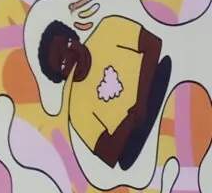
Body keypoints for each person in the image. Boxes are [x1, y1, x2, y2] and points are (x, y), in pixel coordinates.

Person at [38, 14, 174, 169]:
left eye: (67, 45)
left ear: (74, 37)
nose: (69, 57)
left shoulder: (107, 29)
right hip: (139, 143)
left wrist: (141, 102)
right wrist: (133, 117)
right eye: (61, 62)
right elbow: (109, 154)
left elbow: (153, 44)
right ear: (62, 77)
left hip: (163, 86)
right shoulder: (76, 111)